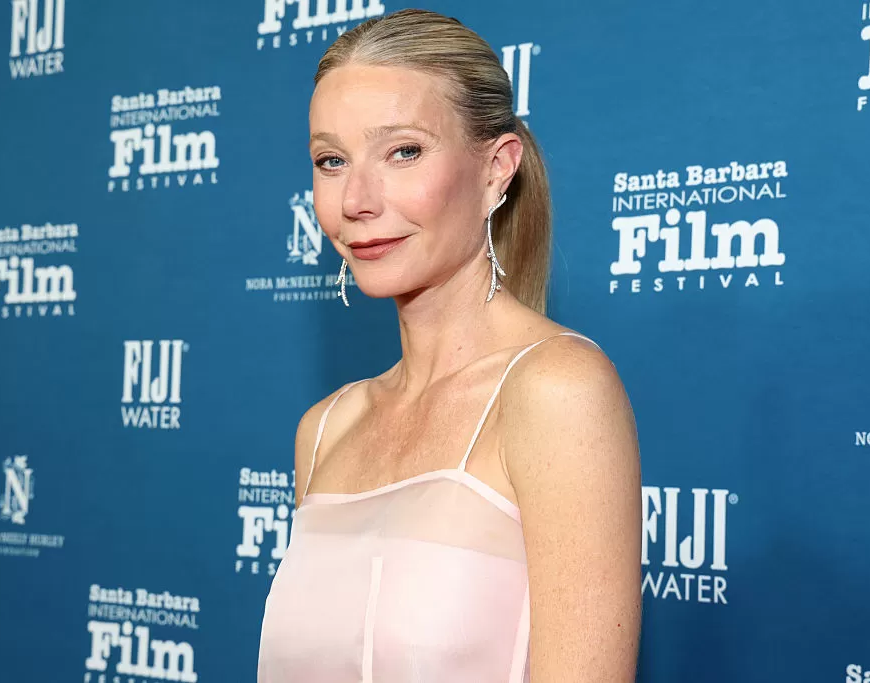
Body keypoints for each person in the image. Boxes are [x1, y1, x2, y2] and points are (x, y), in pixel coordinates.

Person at [257, 8, 642, 682]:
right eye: (331, 161)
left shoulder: (557, 390)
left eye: (403, 152)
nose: (356, 200)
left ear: (496, 169)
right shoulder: (325, 429)